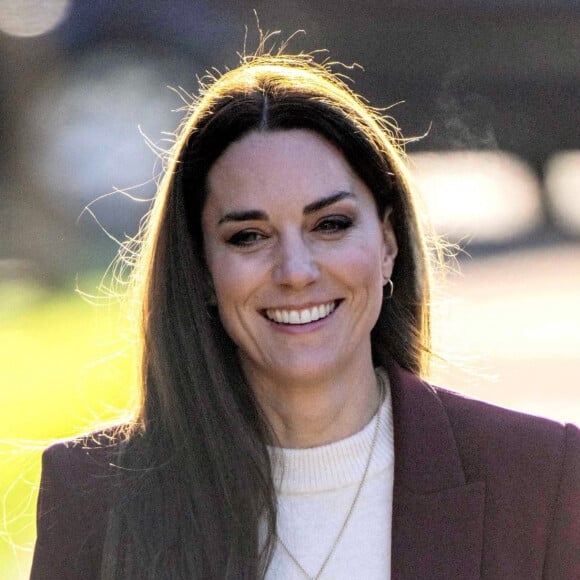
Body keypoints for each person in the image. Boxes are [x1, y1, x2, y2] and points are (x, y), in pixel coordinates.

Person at [31, 50, 580, 580]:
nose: (295, 271)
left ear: (387, 243)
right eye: (249, 236)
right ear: (200, 269)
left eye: (331, 225)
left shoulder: (538, 478)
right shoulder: (93, 495)